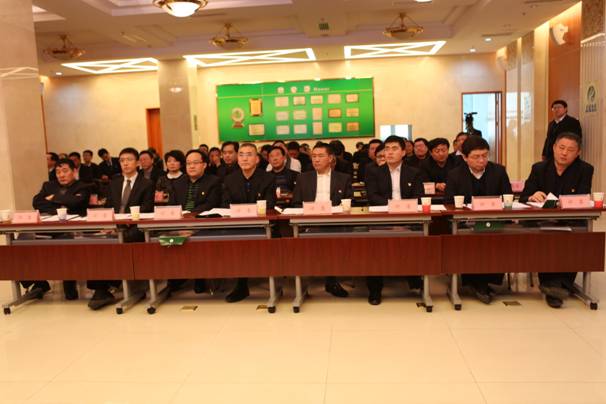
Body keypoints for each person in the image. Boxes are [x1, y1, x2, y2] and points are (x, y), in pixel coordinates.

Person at [520, 133, 593, 308]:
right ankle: (554, 285)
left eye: (570, 150)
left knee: (575, 239)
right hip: (542, 221)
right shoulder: (539, 168)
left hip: (571, 220)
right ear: (553, 148)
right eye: (561, 148)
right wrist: (532, 195)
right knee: (544, 238)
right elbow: (523, 197)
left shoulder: (585, 169)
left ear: (578, 153)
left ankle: (557, 285)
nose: (564, 153)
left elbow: (583, 197)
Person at [444, 136, 512, 304]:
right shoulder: (454, 175)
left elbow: (507, 198)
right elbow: (449, 203)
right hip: (466, 223)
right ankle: (477, 284)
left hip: (495, 221)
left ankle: (488, 282)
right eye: (476, 157)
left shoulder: (498, 171)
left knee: (498, 240)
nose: (481, 160)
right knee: (470, 241)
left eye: (485, 155)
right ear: (465, 157)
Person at [87, 147, 154, 310]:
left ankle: (107, 287)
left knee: (120, 242)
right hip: (116, 227)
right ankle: (101, 288)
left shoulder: (146, 184)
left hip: (137, 227)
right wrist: (109, 226)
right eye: (122, 160)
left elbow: (146, 210)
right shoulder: (114, 183)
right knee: (98, 244)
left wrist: (123, 227)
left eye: (129, 160)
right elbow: (109, 207)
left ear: (137, 163)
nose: (125, 163)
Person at [364, 135, 425, 305]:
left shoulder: (414, 172)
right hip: (382, 218)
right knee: (374, 250)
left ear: (404, 152)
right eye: (387, 149)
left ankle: (414, 278)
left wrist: (402, 211)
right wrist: (394, 207)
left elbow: (418, 196)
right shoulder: (374, 172)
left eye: (394, 148)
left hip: (408, 218)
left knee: (416, 242)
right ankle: (375, 289)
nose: (389, 152)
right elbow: (372, 196)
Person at [292, 142, 353, 299]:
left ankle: (331, 279)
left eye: (320, 156)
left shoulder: (343, 178)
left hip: (335, 222)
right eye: (313, 156)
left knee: (332, 238)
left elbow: (348, 203)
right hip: (309, 222)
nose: (316, 160)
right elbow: (296, 203)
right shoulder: (303, 178)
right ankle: (308, 281)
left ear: (331, 158)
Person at [28, 158, 91, 300]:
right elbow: (37, 202)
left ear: (74, 171)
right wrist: (62, 204)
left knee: (65, 239)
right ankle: (38, 283)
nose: (61, 175)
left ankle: (69, 282)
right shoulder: (48, 185)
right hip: (48, 228)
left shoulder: (83, 186)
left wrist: (53, 198)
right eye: (58, 172)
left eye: (65, 171)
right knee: (24, 239)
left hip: (72, 229)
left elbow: (77, 202)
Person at [221, 143, 276, 303]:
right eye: (241, 155)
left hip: (262, 225)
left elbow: (270, 205)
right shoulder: (230, 179)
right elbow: (225, 205)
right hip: (237, 226)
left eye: (249, 154)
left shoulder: (268, 178)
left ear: (257, 159)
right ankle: (241, 284)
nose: (244, 158)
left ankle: (271, 282)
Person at [168, 149, 222, 294]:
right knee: (165, 239)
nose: (191, 166)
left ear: (204, 165)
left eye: (195, 163)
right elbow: (172, 206)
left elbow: (211, 204)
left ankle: (200, 276)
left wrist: (190, 218)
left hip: (203, 224)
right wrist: (181, 223)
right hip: (179, 225)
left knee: (196, 239)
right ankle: (175, 275)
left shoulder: (214, 181)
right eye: (188, 163)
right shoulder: (178, 183)